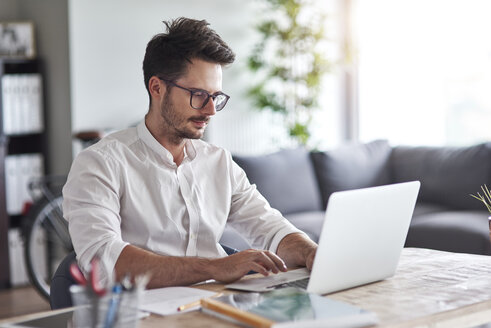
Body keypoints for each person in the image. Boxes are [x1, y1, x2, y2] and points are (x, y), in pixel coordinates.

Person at [63, 17, 317, 289]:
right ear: (157, 88)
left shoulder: (218, 162)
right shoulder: (100, 164)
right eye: (198, 94)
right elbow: (105, 263)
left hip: (221, 306)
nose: (210, 111)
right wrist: (215, 267)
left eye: (215, 96)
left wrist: (311, 252)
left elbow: (271, 229)